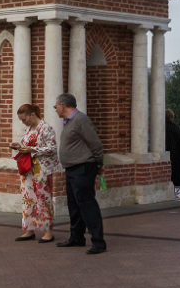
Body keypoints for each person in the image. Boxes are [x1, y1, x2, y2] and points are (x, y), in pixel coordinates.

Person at [52, 93, 106, 253]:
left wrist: (99, 163)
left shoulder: (81, 120)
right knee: (74, 205)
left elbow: (95, 143)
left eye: (56, 107)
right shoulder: (68, 122)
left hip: (83, 168)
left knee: (87, 204)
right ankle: (77, 237)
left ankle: (98, 242)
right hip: (72, 169)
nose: (55, 110)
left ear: (63, 105)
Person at [8, 103, 58, 243]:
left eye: (24, 119)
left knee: (43, 197)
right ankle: (29, 229)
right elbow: (28, 146)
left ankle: (48, 232)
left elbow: (52, 148)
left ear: (32, 114)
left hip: (41, 168)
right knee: (28, 197)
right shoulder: (29, 128)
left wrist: (32, 150)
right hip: (28, 169)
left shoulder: (46, 128)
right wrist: (20, 147)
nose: (23, 122)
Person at [164, 108, 180, 187]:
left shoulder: (161, 127)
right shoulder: (175, 128)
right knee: (176, 176)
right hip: (175, 155)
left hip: (165, 153)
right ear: (171, 117)